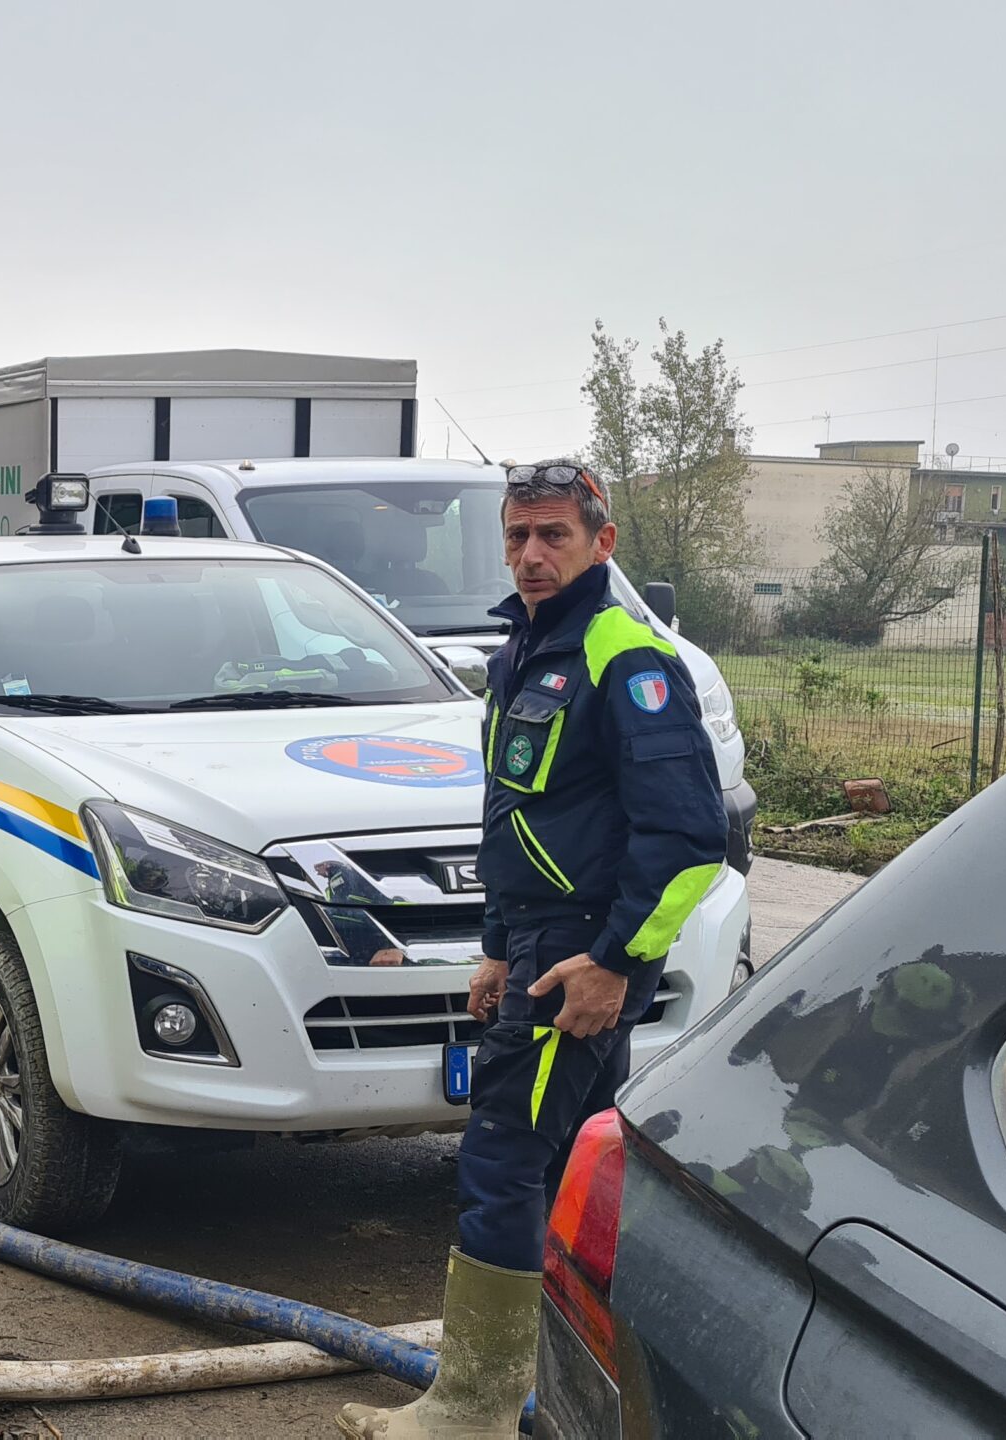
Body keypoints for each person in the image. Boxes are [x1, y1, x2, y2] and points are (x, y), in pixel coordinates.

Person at [337, 460, 725, 1439]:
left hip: (582, 961)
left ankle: (468, 1407)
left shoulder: (623, 654)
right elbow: (518, 813)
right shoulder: (522, 649)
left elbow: (687, 837)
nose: (530, 554)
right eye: (516, 536)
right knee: (577, 1176)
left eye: (552, 534)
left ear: (602, 542)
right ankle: (574, 1395)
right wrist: (495, 946)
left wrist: (616, 965)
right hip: (539, 949)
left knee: (501, 1159)